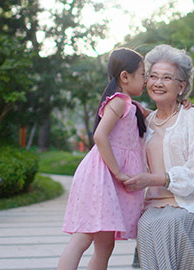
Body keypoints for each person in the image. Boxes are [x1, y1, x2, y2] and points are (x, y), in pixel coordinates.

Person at [124, 44, 194, 270]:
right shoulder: (145, 120)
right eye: (153, 76)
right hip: (157, 205)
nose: (158, 83)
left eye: (166, 78)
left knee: (170, 224)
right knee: (145, 225)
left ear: (181, 86)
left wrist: (153, 179)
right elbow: (117, 103)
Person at [57, 47, 148, 270]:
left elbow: (159, 115)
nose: (146, 80)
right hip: (100, 177)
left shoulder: (132, 106)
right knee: (82, 238)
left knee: (105, 246)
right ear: (125, 77)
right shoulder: (118, 102)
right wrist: (117, 171)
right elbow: (99, 135)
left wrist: (183, 105)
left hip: (108, 180)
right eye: (143, 74)